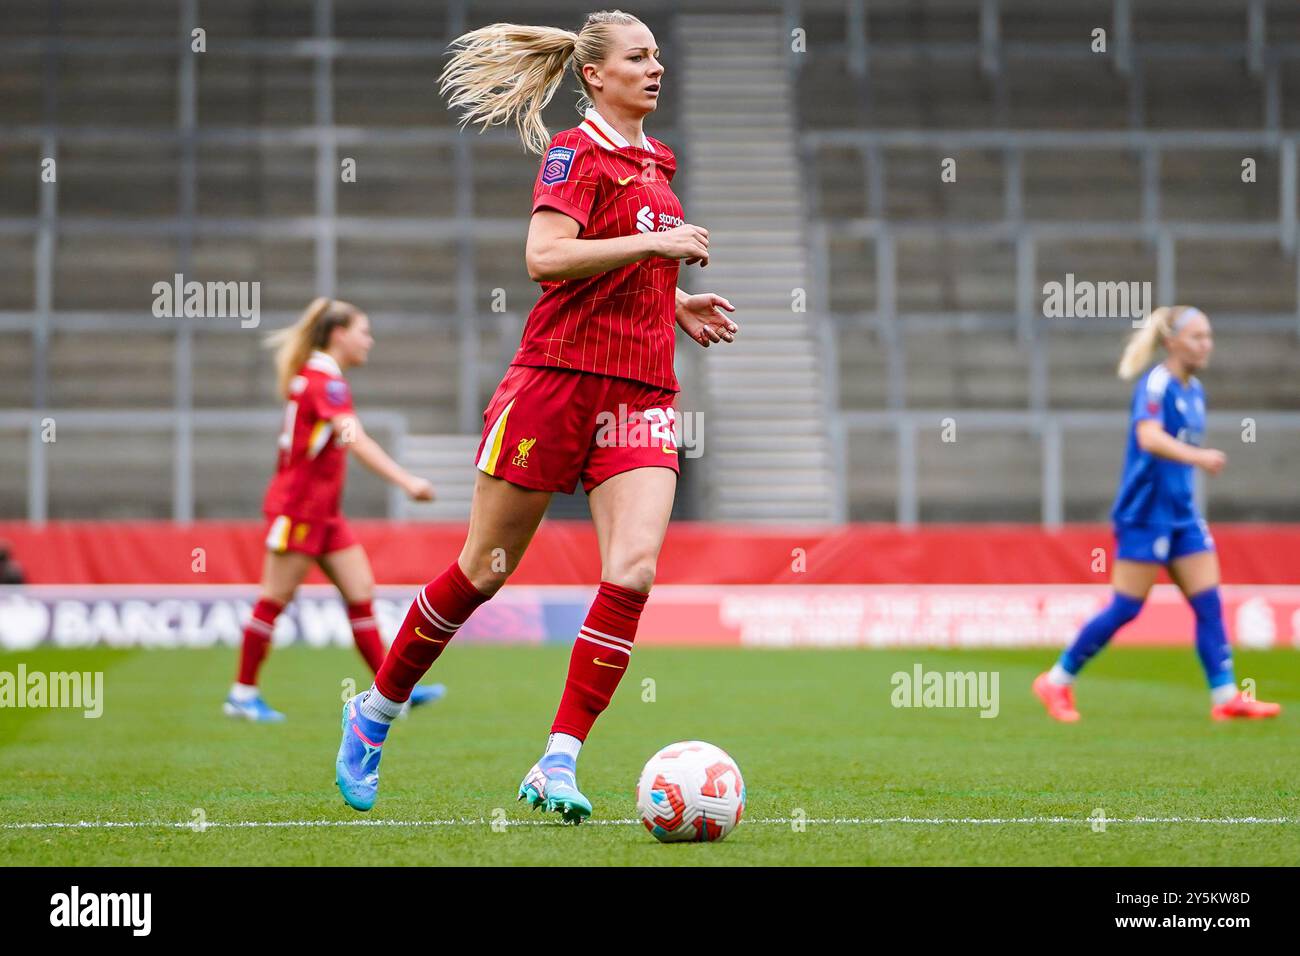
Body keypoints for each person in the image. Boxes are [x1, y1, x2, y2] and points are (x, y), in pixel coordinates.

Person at [334, 9, 739, 821]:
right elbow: (546, 258)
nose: (655, 67)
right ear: (596, 74)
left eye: (658, 54)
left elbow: (623, 264)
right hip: (552, 385)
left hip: (639, 391)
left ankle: (559, 758)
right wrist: (655, 252)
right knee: (484, 571)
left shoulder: (657, 159)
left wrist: (676, 300)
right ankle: (374, 714)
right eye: (638, 56)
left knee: (632, 570)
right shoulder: (573, 153)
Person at [1034, 305, 1281, 722]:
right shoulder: (1157, 384)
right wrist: (1199, 457)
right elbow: (1148, 437)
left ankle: (1225, 698)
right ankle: (1057, 680)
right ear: (1172, 342)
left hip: (1182, 515)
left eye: (1209, 337)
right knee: (1126, 608)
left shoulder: (1195, 391)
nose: (1206, 344)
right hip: (1145, 514)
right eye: (1197, 337)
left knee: (1208, 603)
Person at [225, 297, 442, 722]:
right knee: (274, 599)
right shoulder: (328, 384)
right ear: (339, 334)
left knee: (361, 593)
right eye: (364, 331)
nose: (370, 341)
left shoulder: (316, 378)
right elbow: (355, 438)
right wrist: (407, 481)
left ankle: (390, 696)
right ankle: (242, 693)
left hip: (324, 513)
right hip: (300, 511)